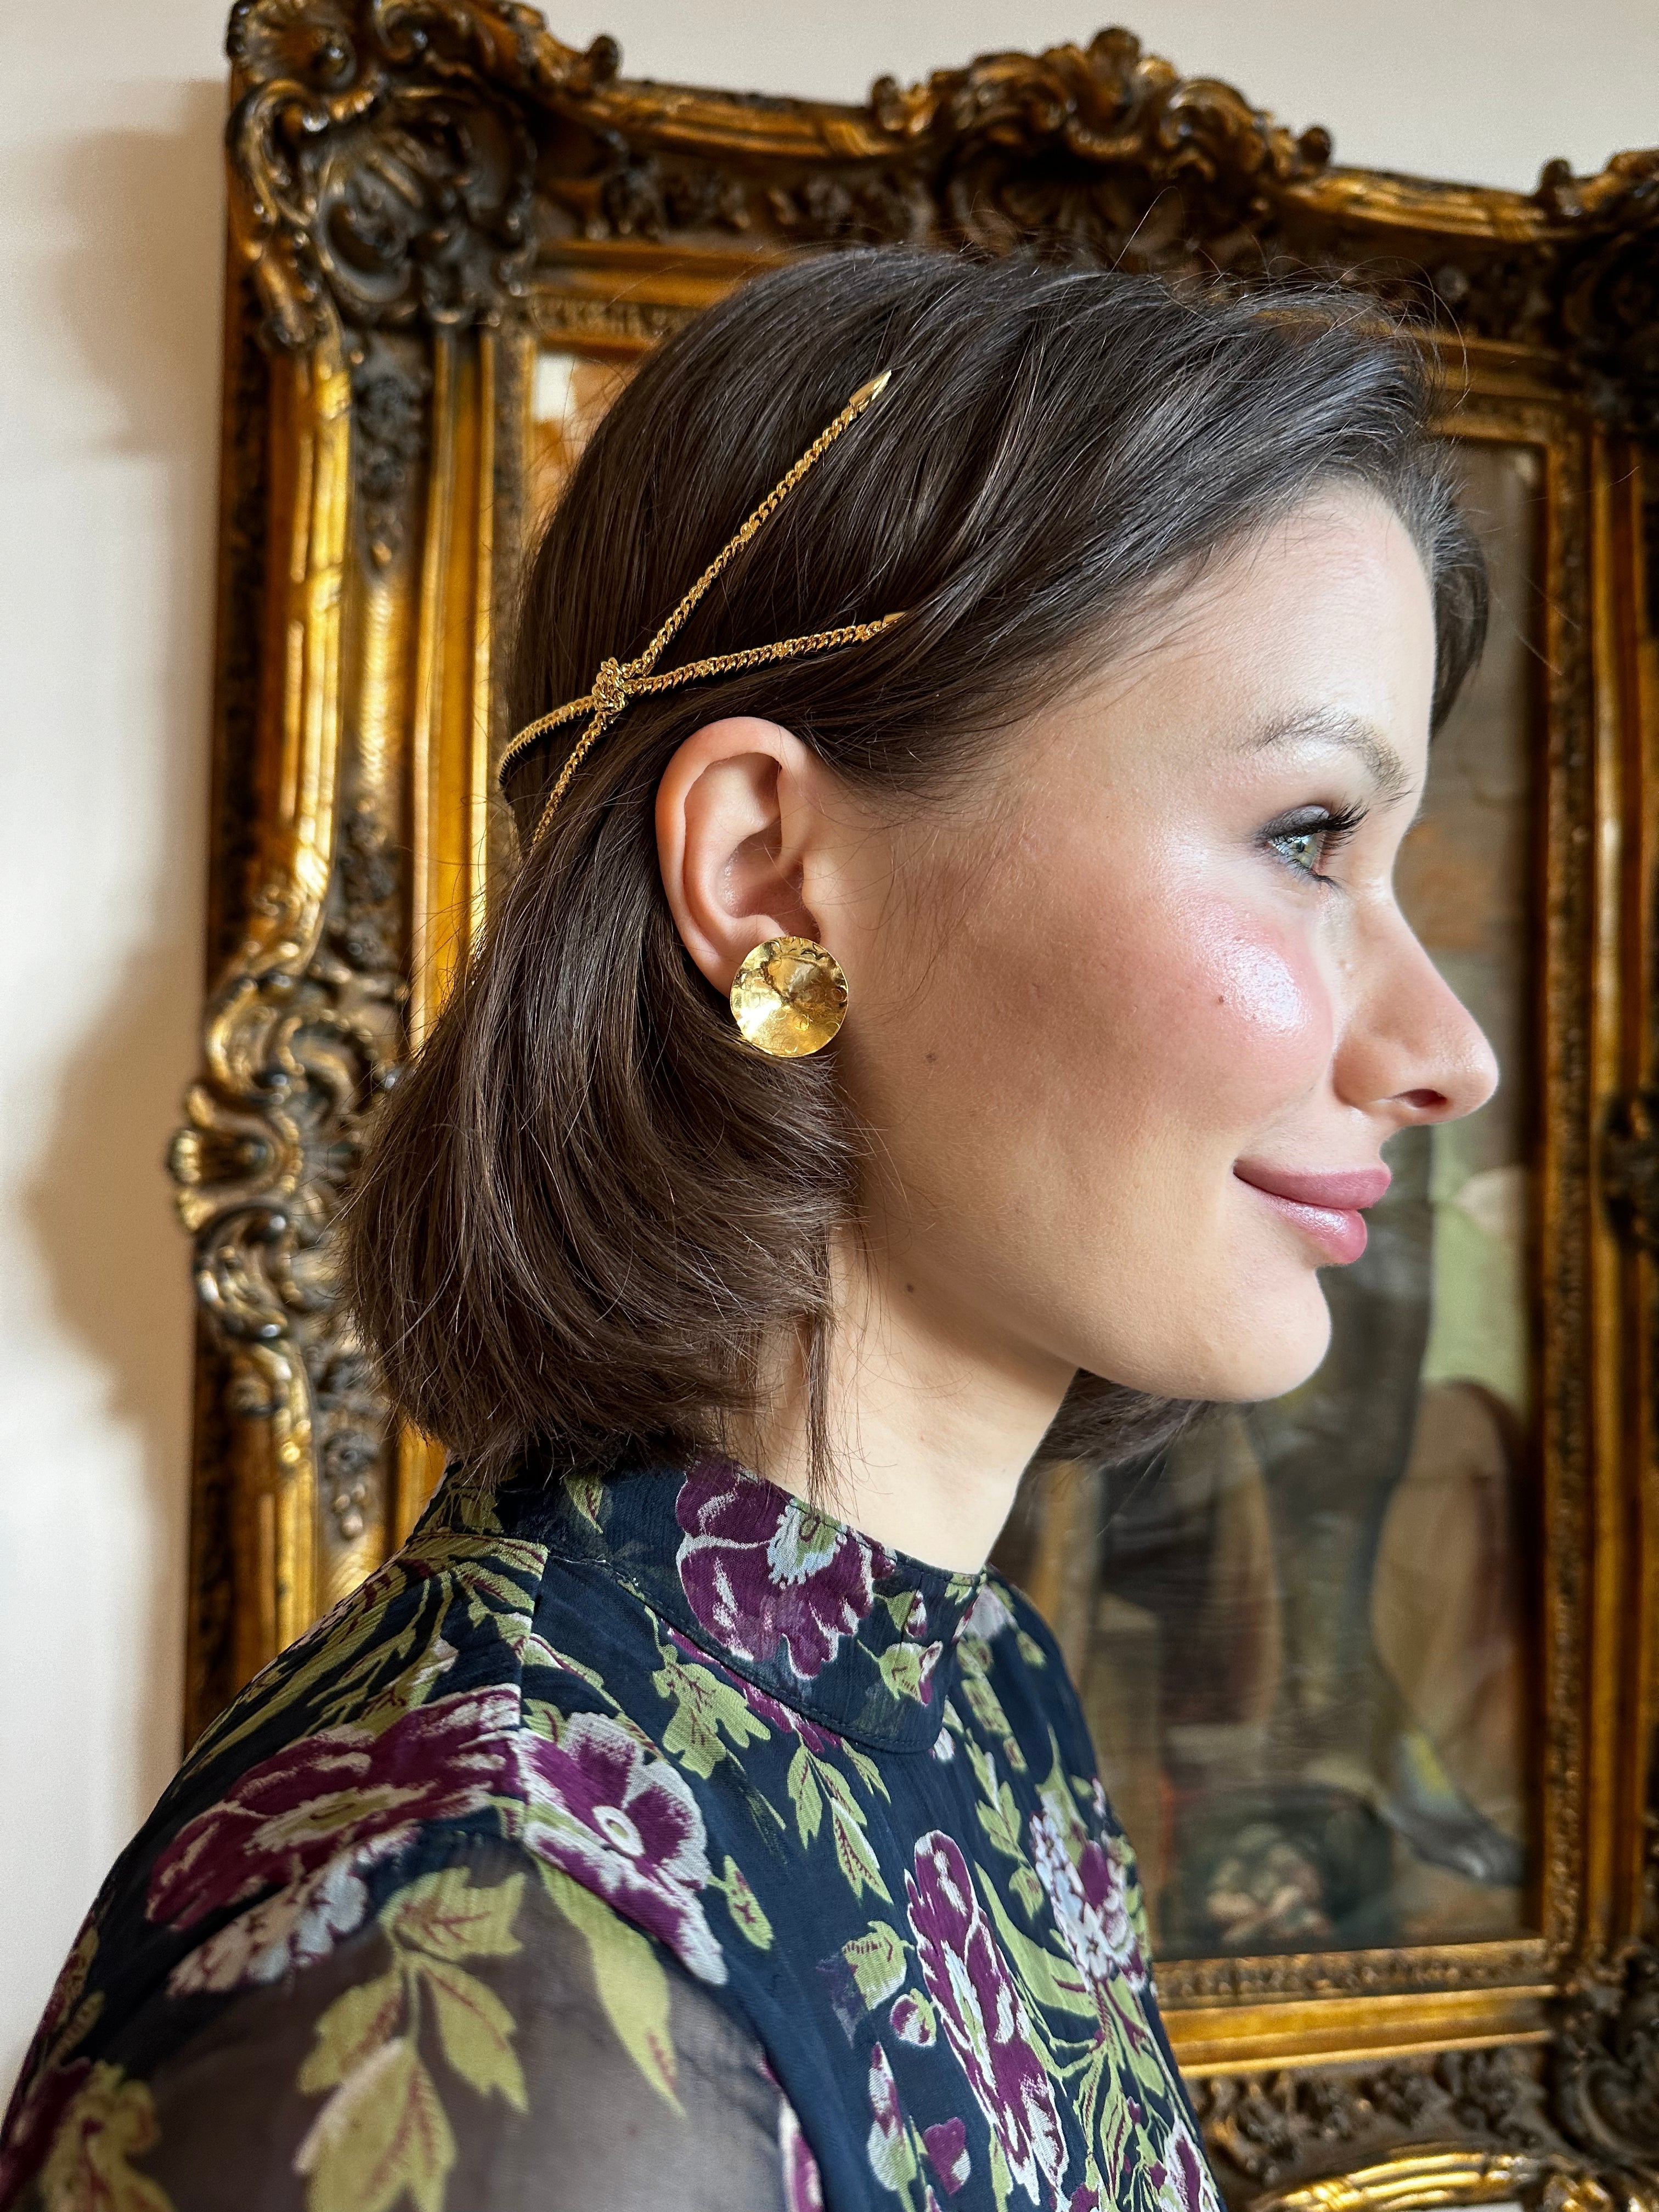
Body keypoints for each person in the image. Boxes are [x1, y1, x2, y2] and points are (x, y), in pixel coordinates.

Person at [1, 248, 1498, 2211]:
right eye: (1307, 838)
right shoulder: (499, 1984)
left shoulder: (980, 1699)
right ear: (768, 870)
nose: (1448, 1051)